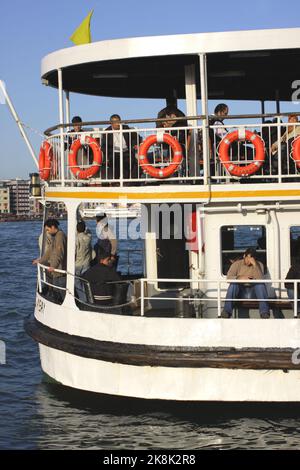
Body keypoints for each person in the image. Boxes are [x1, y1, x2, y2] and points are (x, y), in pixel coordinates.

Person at [221, 247, 270, 319]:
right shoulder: (236, 264)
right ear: (244, 256)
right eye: (248, 257)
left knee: (260, 285)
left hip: (254, 291)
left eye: (251, 258)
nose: (249, 260)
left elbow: (261, 279)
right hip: (240, 291)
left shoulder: (259, 265)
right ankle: (227, 311)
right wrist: (240, 278)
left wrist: (255, 265)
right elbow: (228, 278)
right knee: (233, 284)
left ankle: (264, 313)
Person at [32, 219, 67, 298]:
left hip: (60, 269)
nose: (47, 232)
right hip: (56, 270)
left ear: (53, 227)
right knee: (56, 289)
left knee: (61, 290)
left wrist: (53, 266)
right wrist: (40, 260)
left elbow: (59, 251)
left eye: (48, 229)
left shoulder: (60, 236)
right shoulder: (56, 237)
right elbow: (49, 251)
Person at [101, 114, 141, 181]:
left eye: (118, 121)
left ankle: (127, 182)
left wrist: (135, 144)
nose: (117, 123)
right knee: (114, 164)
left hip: (126, 151)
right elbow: (104, 146)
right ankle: (116, 182)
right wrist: (106, 156)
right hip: (114, 153)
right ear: (111, 123)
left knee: (130, 162)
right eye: (114, 122)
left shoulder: (125, 128)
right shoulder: (106, 132)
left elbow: (137, 137)